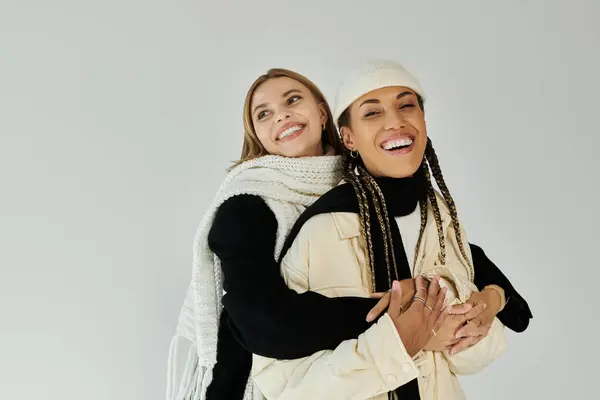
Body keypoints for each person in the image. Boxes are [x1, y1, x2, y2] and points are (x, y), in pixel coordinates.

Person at [167, 66, 532, 400]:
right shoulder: (248, 206)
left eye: (293, 99)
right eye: (263, 113)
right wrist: (401, 319)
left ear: (323, 113)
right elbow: (261, 321)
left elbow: (461, 253)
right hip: (251, 378)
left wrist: (497, 298)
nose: (281, 114)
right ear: (259, 136)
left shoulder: (362, 188)